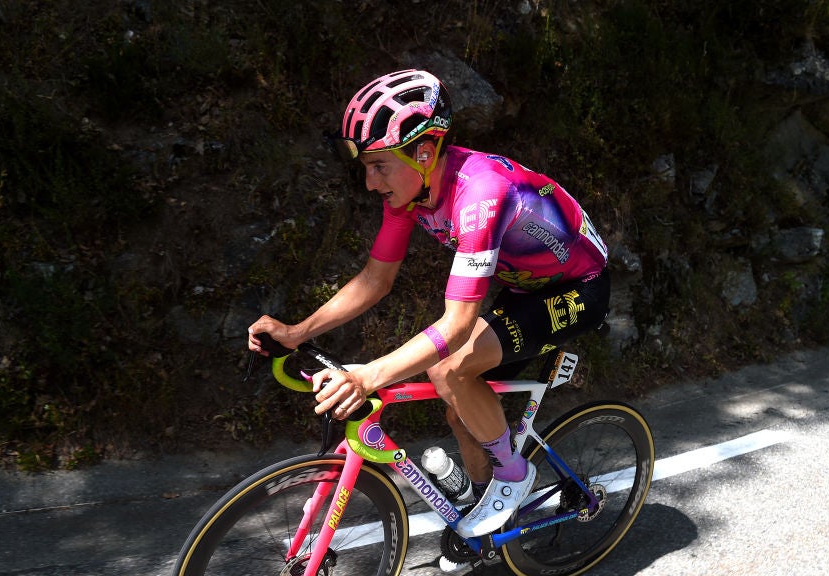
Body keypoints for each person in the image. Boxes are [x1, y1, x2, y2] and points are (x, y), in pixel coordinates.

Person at [248, 68, 610, 542]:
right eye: (366, 167)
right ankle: (483, 505)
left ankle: (513, 477)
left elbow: (457, 323)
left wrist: (367, 376)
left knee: (449, 370)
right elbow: (376, 279)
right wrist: (298, 333)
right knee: (460, 409)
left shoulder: (482, 193)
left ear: (423, 152)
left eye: (379, 165)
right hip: (526, 285)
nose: (370, 183)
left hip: (579, 286)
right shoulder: (409, 192)